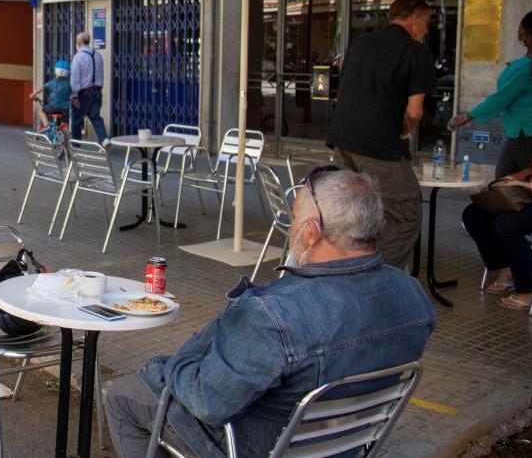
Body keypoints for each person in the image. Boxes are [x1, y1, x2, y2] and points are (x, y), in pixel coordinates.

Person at [104, 169, 436, 458]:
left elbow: (208, 401)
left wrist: (173, 364)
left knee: (123, 395)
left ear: (310, 232)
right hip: (345, 445)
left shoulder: (274, 313)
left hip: (257, 446)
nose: (290, 232)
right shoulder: (412, 294)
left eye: (292, 221)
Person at [327, 0, 436, 269]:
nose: (427, 30)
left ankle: (348, 266)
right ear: (415, 18)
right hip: (379, 145)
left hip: (343, 140)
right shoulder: (415, 52)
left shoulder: (360, 44)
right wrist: (402, 131)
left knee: (357, 211)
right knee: (405, 213)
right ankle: (374, 277)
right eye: (426, 22)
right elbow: (414, 112)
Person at [450, 10, 532, 178]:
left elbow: (500, 99)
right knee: (506, 181)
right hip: (530, 131)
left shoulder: (524, 68)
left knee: (524, 183)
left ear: (528, 33)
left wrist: (467, 117)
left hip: (526, 133)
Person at [461, 133, 532, 311]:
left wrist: (529, 186)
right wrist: (511, 179)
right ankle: (506, 268)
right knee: (474, 214)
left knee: (505, 223)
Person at [70, 32, 109, 144]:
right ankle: (104, 139)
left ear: (79, 42)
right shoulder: (98, 55)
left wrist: (74, 96)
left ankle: (75, 145)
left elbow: (75, 78)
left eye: (76, 41)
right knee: (95, 116)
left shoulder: (79, 57)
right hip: (97, 91)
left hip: (84, 93)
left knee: (76, 120)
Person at [29, 59, 72, 131]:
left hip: (54, 106)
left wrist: (33, 94)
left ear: (56, 71)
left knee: (41, 111)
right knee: (64, 125)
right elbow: (71, 96)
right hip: (65, 109)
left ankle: (47, 126)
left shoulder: (52, 83)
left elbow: (42, 88)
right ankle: (65, 135)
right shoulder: (68, 85)